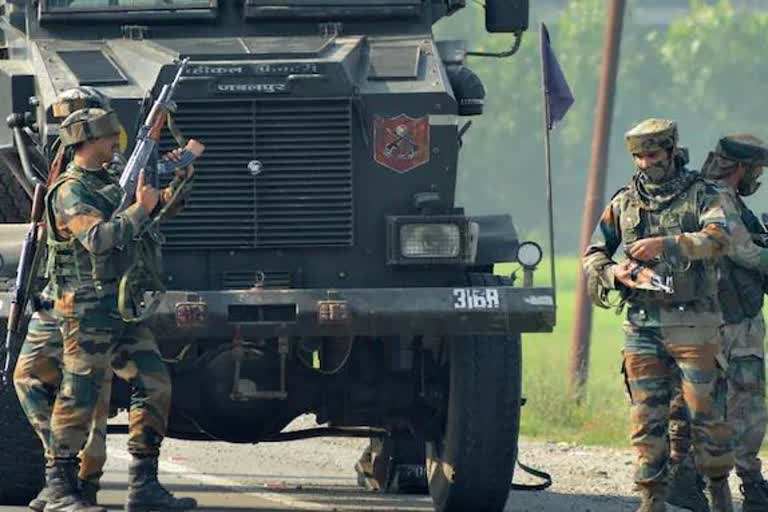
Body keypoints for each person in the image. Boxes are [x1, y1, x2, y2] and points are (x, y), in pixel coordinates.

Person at [14, 107, 195, 512]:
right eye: (108, 136)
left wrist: (172, 191)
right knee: (78, 394)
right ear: (88, 141)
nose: (116, 141)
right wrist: (140, 208)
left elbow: (150, 221)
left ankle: (144, 484)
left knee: (154, 383)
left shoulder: (110, 180)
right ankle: (60, 486)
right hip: (85, 307)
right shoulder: (70, 190)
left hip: (120, 305)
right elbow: (98, 238)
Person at [582, 118, 735, 512]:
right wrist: (613, 271)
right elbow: (594, 254)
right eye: (638, 156)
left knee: (707, 418)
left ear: (671, 152)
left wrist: (665, 245)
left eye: (652, 154)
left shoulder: (703, 194)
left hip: (695, 326)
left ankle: (719, 491)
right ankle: (652, 500)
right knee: (645, 420)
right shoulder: (624, 202)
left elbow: (719, 239)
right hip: (642, 325)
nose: (645, 163)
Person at [13, 87, 130, 512]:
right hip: (57, 293)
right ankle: (59, 466)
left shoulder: (104, 169)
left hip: (90, 299)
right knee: (26, 377)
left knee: (91, 394)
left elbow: (106, 232)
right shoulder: (62, 165)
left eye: (77, 116)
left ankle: (80, 482)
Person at [667, 134, 768, 512]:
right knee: (744, 400)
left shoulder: (700, 193)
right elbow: (743, 252)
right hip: (729, 320)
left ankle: (690, 477)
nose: (757, 178)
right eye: (756, 170)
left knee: (710, 400)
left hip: (708, 316)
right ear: (740, 168)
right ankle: (749, 484)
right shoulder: (720, 198)